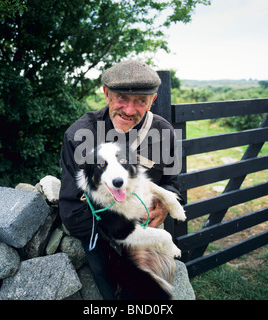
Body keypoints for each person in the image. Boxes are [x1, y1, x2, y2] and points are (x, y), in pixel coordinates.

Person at [59, 60, 183, 299]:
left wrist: (164, 206)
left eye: (140, 101)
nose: (128, 110)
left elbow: (173, 182)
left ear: (152, 100)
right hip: (103, 234)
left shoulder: (163, 131)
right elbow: (72, 211)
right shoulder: (78, 135)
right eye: (121, 98)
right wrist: (125, 234)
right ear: (106, 94)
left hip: (150, 228)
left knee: (155, 295)